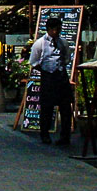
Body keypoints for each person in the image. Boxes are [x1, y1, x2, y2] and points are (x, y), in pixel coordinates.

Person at [29, 15, 72, 145]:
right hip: (48, 76)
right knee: (47, 108)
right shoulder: (39, 44)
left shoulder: (62, 42)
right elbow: (33, 62)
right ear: (48, 29)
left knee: (65, 108)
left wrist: (61, 68)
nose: (56, 32)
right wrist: (44, 71)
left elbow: (67, 58)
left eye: (59, 29)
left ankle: (65, 136)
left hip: (61, 76)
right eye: (54, 30)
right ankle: (45, 134)